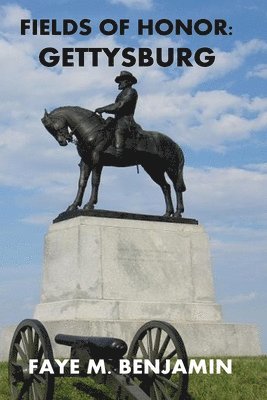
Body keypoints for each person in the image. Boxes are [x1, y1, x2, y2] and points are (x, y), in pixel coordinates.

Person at [95, 71, 138, 156]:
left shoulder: (131, 91)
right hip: (117, 119)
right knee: (103, 127)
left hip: (126, 121)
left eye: (122, 80)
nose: (119, 83)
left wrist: (103, 109)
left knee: (119, 130)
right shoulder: (121, 94)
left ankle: (119, 153)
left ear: (128, 82)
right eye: (119, 81)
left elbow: (119, 105)